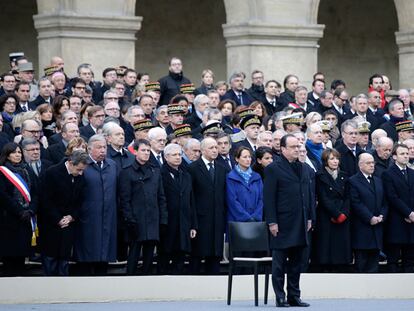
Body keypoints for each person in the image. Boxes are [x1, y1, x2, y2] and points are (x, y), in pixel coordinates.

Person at [264, 134, 312, 308]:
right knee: (279, 264)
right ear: (282, 149)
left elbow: (309, 194)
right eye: (292, 147)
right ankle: (280, 297)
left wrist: (309, 217)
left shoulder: (304, 168)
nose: (297, 149)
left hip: (300, 222)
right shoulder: (273, 168)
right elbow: (268, 198)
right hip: (282, 223)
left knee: (297, 262)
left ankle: (294, 296)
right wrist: (272, 222)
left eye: (298, 146)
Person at [119, 139, 167, 275]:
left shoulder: (155, 171)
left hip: (152, 219)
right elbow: (125, 200)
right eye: (143, 150)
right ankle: (130, 280)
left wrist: (163, 219)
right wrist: (130, 220)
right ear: (135, 151)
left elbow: (161, 197)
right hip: (136, 219)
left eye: (148, 150)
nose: (146, 153)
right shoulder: (127, 172)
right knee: (134, 253)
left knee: (149, 255)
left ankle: (146, 281)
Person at [38, 150, 89, 276]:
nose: (81, 173)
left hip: (69, 223)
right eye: (79, 169)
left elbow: (81, 200)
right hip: (51, 223)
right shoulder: (52, 173)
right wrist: (58, 219)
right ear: (70, 163)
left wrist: (72, 217)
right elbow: (45, 200)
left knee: (64, 258)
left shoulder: (79, 175)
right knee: (50, 257)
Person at [73, 134, 117, 275]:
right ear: (89, 149)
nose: (103, 150)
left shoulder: (112, 165)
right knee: (87, 253)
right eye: (99, 147)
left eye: (104, 147)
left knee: (104, 254)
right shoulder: (83, 166)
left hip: (108, 216)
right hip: (87, 217)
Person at [187, 137, 227, 274]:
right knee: (197, 253)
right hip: (200, 219)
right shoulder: (192, 168)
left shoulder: (223, 169)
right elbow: (190, 196)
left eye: (216, 147)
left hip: (217, 218)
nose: (215, 150)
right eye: (212, 148)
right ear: (203, 150)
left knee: (215, 253)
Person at [159, 143, 197, 274]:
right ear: (166, 157)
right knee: (165, 254)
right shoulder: (160, 174)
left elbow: (191, 201)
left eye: (179, 154)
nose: (177, 157)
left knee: (181, 254)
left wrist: (193, 225)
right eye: (174, 155)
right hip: (167, 222)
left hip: (184, 222)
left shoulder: (186, 175)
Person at [312, 149, 352, 270]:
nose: (335, 161)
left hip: (343, 216)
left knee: (341, 247)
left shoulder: (344, 175)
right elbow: (323, 198)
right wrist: (336, 214)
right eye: (331, 159)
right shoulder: (320, 175)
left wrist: (344, 213)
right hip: (327, 216)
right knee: (327, 245)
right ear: (325, 161)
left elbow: (348, 197)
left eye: (337, 158)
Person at [0, 143, 35, 276]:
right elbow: (3, 195)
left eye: (19, 152)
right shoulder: (2, 171)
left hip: (26, 218)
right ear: (7, 155)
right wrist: (19, 211)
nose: (17, 155)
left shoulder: (27, 170)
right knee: (10, 257)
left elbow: (36, 192)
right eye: (14, 152)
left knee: (22, 256)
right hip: (9, 219)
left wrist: (31, 209)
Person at [349, 153, 387, 273]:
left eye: (373, 163)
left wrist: (382, 215)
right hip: (362, 230)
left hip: (377, 230)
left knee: (374, 266)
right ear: (360, 165)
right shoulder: (353, 181)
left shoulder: (378, 180)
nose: (372, 165)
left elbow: (385, 202)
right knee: (361, 265)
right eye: (368, 163)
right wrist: (370, 217)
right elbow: (355, 203)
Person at [382, 144, 414, 272]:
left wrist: (412, 214)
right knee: (393, 259)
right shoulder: (388, 174)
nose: (406, 156)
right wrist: (408, 213)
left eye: (407, 153)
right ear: (394, 156)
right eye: (402, 154)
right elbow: (392, 197)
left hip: (412, 221)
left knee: (410, 258)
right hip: (396, 220)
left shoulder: (412, 173)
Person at [226, 146, 263, 223]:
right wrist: (246, 217)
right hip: (237, 222)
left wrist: (255, 216)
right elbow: (232, 201)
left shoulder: (257, 177)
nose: (248, 159)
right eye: (245, 157)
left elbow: (261, 198)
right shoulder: (231, 177)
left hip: (256, 221)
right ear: (237, 159)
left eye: (249, 157)